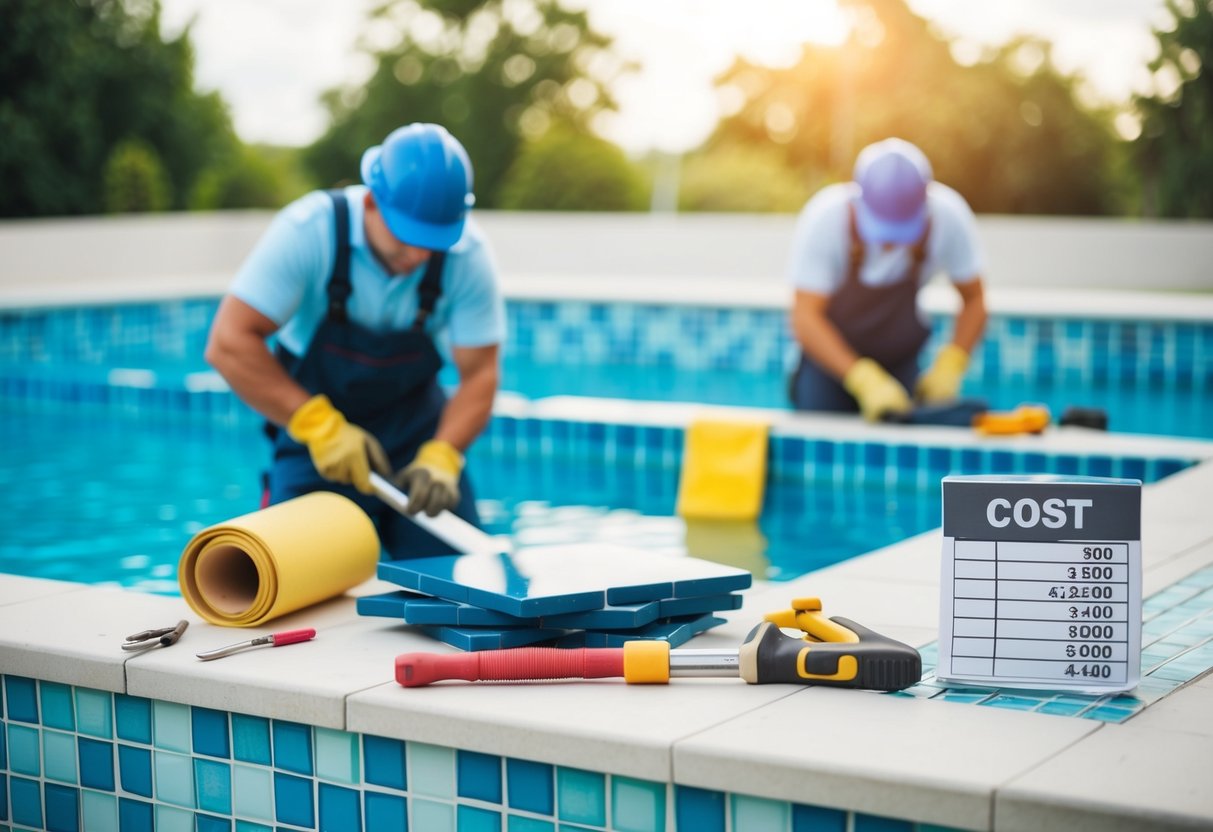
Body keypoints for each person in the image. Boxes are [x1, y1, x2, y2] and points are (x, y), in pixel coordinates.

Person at [205, 122, 504, 558]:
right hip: (315, 442)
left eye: (432, 244)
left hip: (417, 444)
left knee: (471, 586)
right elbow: (229, 342)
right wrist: (318, 426)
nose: (420, 256)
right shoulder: (308, 231)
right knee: (288, 581)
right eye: (406, 239)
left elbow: (480, 375)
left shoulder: (468, 256)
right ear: (370, 201)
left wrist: (443, 455)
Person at [787, 137, 988, 421]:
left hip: (899, 362)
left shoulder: (949, 217)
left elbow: (975, 299)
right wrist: (862, 379)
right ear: (857, 199)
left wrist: (951, 364)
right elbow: (805, 316)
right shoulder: (826, 219)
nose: (892, 244)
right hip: (829, 366)